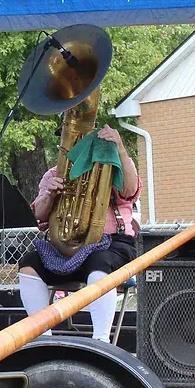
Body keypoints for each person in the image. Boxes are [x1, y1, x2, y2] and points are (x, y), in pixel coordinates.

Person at [16, 125, 141, 341]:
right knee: (29, 262)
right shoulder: (53, 174)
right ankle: (42, 337)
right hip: (67, 246)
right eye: (70, 142)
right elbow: (38, 215)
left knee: (99, 261)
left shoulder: (111, 165)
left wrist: (119, 148)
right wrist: (50, 195)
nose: (75, 146)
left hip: (113, 244)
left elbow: (129, 192)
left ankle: (101, 340)